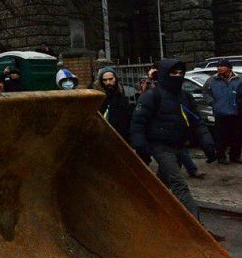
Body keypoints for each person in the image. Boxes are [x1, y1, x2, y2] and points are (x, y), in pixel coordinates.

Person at [130, 59, 215, 220]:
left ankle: (146, 208)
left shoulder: (185, 97)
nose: (178, 76)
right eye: (173, 73)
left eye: (180, 73)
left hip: (179, 146)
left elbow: (197, 121)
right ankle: (196, 226)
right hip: (160, 147)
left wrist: (208, 143)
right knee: (179, 184)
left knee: (163, 183)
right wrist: (141, 149)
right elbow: (138, 124)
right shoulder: (151, 96)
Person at [203, 59, 241, 165]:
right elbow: (205, 92)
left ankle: (235, 156)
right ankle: (221, 157)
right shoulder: (212, 79)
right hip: (220, 112)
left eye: (222, 66)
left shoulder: (238, 79)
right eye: (218, 66)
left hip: (236, 112)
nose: (219, 68)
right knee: (221, 137)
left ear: (229, 68)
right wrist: (212, 102)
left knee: (236, 136)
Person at [93, 67, 133, 143]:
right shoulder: (97, 99)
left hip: (121, 138)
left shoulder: (122, 97)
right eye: (105, 80)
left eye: (110, 79)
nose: (108, 82)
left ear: (115, 79)